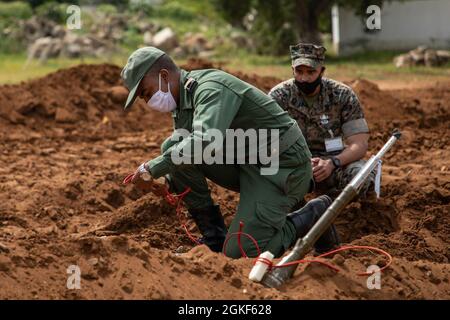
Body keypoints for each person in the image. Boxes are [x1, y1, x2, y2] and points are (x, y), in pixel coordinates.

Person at [121, 46, 340, 258]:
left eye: (146, 92)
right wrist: (168, 182)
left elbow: (205, 141)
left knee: (241, 252)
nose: (146, 100)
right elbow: (184, 150)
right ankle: (214, 239)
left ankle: (313, 214)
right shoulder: (183, 100)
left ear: (164, 75)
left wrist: (151, 168)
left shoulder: (210, 88)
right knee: (173, 147)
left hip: (281, 167)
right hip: (248, 162)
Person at [269, 43, 375, 199]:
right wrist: (299, 163)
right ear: (292, 70)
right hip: (293, 166)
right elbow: (267, 143)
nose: (304, 78)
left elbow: (359, 144)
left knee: (361, 177)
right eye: (299, 71)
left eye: (311, 72)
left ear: (322, 71)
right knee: (265, 175)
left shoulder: (342, 95)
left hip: (333, 163)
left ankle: (336, 206)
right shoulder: (278, 96)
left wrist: (332, 163)